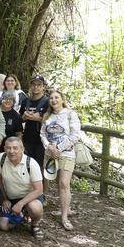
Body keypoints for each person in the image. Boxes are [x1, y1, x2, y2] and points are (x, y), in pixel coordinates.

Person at [40, 90, 81, 231]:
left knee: (64, 183)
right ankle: (66, 208)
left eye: (56, 97)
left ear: (62, 99)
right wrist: (50, 147)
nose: (53, 100)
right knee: (57, 182)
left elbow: (75, 135)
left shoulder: (70, 114)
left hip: (67, 153)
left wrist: (59, 148)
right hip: (50, 153)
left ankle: (64, 217)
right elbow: (43, 134)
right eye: (51, 98)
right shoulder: (47, 115)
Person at [0, 137, 45, 239]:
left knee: (35, 208)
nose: (11, 151)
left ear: (22, 148)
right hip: (10, 197)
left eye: (15, 148)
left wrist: (21, 203)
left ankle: (34, 225)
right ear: (4, 148)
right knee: (3, 226)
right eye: (8, 148)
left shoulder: (31, 163)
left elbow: (39, 190)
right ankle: (21, 216)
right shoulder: (0, 159)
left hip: (29, 197)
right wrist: (4, 199)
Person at [20, 75, 49, 179]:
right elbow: (20, 118)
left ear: (43, 87)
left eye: (39, 85)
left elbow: (52, 121)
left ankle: (42, 192)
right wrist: (24, 117)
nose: (36, 87)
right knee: (27, 166)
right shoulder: (25, 101)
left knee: (41, 167)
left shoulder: (48, 102)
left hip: (42, 140)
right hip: (27, 138)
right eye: (33, 84)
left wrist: (38, 118)